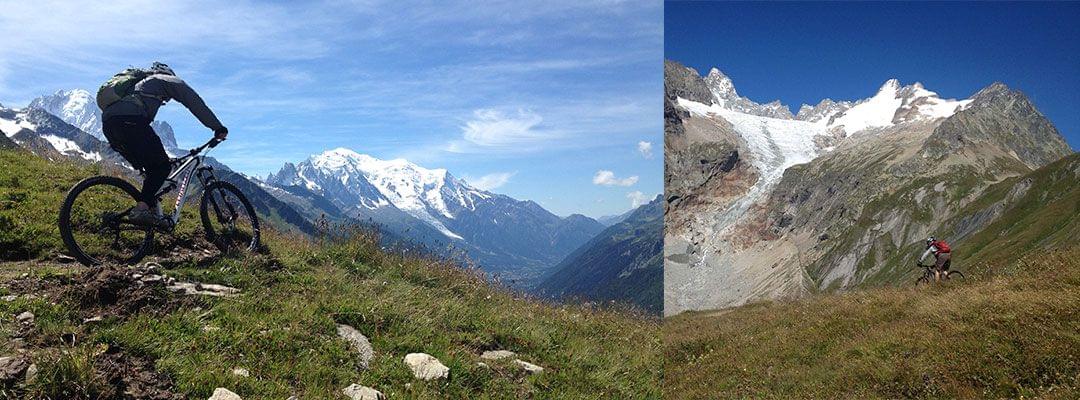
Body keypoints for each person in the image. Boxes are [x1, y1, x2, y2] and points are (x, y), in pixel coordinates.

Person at [100, 62, 228, 228]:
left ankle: (150, 215)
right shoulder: (164, 79)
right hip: (131, 122)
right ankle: (141, 210)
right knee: (162, 167)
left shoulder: (135, 88)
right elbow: (193, 100)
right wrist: (217, 127)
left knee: (152, 171)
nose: (164, 101)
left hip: (109, 126)